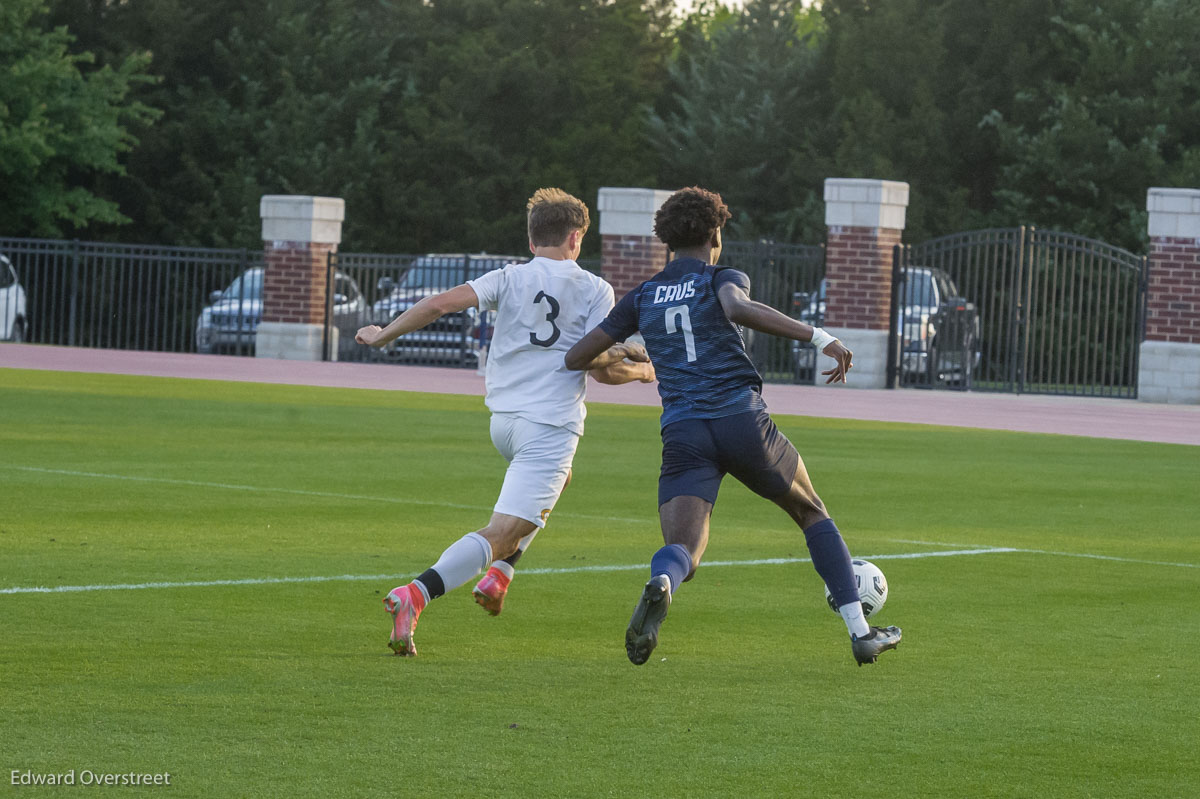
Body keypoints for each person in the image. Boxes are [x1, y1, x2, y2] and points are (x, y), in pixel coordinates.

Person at [564, 186, 901, 667]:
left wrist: (628, 351)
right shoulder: (721, 276)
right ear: (715, 233)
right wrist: (820, 337)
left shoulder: (643, 296)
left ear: (667, 240)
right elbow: (738, 308)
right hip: (741, 421)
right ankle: (861, 632)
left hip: (683, 432)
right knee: (810, 511)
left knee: (683, 549)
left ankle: (663, 583)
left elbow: (577, 357)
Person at [356, 188, 654, 656]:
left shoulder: (510, 277)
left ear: (533, 240)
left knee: (559, 482)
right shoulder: (594, 288)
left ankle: (501, 576)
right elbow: (601, 369)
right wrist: (644, 369)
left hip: (505, 424)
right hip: (550, 426)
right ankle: (415, 595)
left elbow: (439, 305)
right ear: (576, 238)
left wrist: (382, 335)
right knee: (500, 532)